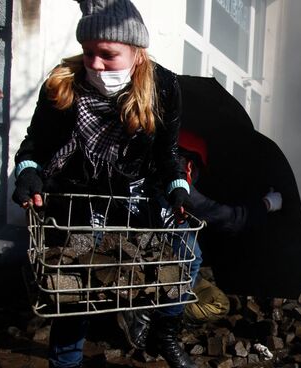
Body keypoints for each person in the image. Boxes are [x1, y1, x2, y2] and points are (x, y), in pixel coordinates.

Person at [11, 1, 193, 367]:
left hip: (136, 196)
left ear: (137, 54)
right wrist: (29, 172)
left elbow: (166, 153)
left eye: (108, 55)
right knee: (76, 284)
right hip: (77, 197)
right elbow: (34, 147)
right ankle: (65, 361)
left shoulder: (163, 87)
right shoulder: (63, 82)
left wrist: (177, 187)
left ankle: (165, 332)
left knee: (187, 260)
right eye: (88, 52)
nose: (94, 64)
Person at [118, 128, 283, 350]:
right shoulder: (174, 187)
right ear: (189, 164)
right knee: (217, 303)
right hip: (158, 276)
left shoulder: (136, 175)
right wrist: (267, 204)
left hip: (147, 269)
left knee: (199, 276)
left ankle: (150, 312)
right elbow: (229, 218)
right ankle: (154, 317)